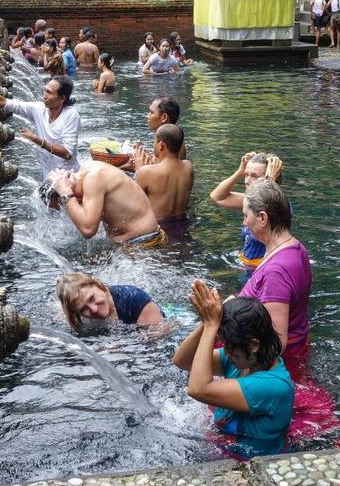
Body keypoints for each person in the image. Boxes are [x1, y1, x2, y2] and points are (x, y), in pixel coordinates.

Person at [172, 281, 294, 458]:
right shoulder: (244, 360)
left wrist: (211, 325)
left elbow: (197, 389)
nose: (226, 353)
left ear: (253, 345)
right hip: (226, 453)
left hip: (252, 465)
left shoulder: (272, 386)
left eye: (229, 348)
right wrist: (209, 320)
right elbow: (182, 361)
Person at [237, 181, 311, 367]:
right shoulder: (296, 248)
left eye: (246, 215)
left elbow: (276, 343)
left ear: (263, 218)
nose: (244, 222)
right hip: (298, 352)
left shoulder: (276, 272)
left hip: (278, 366)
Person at [0, 76, 80, 179]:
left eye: (49, 92)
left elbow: (67, 153)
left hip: (69, 177)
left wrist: (37, 140)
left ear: (62, 98)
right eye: (44, 90)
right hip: (50, 176)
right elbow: (6, 103)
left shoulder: (71, 115)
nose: (44, 95)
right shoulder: (39, 109)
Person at [48, 161, 166, 245]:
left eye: (63, 206)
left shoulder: (92, 179)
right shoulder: (88, 171)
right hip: (137, 239)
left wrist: (66, 194)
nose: (68, 209)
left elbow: (88, 230)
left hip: (145, 242)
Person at [209, 152, 283, 275]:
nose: (247, 181)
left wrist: (270, 182)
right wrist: (240, 171)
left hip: (264, 274)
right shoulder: (250, 201)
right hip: (246, 269)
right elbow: (217, 197)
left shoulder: (281, 207)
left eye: (254, 176)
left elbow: (270, 209)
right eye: (246, 175)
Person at [135, 123, 193, 233]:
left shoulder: (145, 172)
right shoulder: (188, 167)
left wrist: (138, 171)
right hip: (183, 227)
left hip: (157, 230)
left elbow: (132, 206)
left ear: (161, 145)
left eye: (155, 141)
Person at [56, 273, 163, 329]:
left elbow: (155, 340)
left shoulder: (135, 299)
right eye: (83, 309)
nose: (93, 309)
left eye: (92, 298)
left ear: (99, 285)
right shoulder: (75, 317)